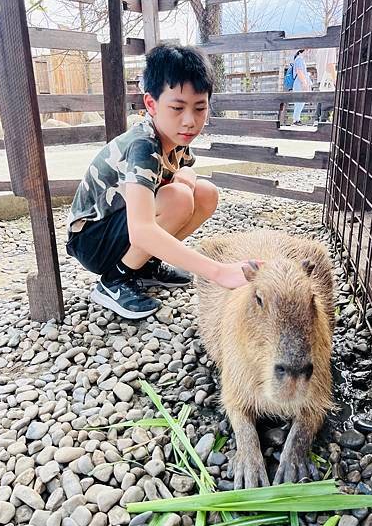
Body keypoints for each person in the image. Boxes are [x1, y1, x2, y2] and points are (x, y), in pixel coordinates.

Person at [66, 43, 258, 320]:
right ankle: (114, 281)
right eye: (177, 108)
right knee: (178, 198)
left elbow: (187, 171)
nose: (190, 121)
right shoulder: (143, 145)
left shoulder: (174, 138)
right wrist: (218, 272)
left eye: (200, 108)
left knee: (205, 193)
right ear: (151, 104)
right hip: (92, 239)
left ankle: (143, 265)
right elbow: (142, 230)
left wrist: (186, 178)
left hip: (119, 228)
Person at [315, 47, 337, 123]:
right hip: (328, 78)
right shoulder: (331, 48)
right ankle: (323, 121)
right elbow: (330, 65)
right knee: (328, 100)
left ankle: (316, 119)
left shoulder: (319, 49)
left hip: (321, 77)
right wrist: (335, 79)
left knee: (321, 99)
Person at [292, 49, 312, 126]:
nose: (308, 52)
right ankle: (296, 120)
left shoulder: (300, 60)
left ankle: (297, 119)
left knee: (300, 102)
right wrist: (304, 83)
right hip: (299, 82)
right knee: (299, 101)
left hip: (300, 82)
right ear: (301, 51)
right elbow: (299, 71)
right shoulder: (299, 59)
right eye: (307, 50)